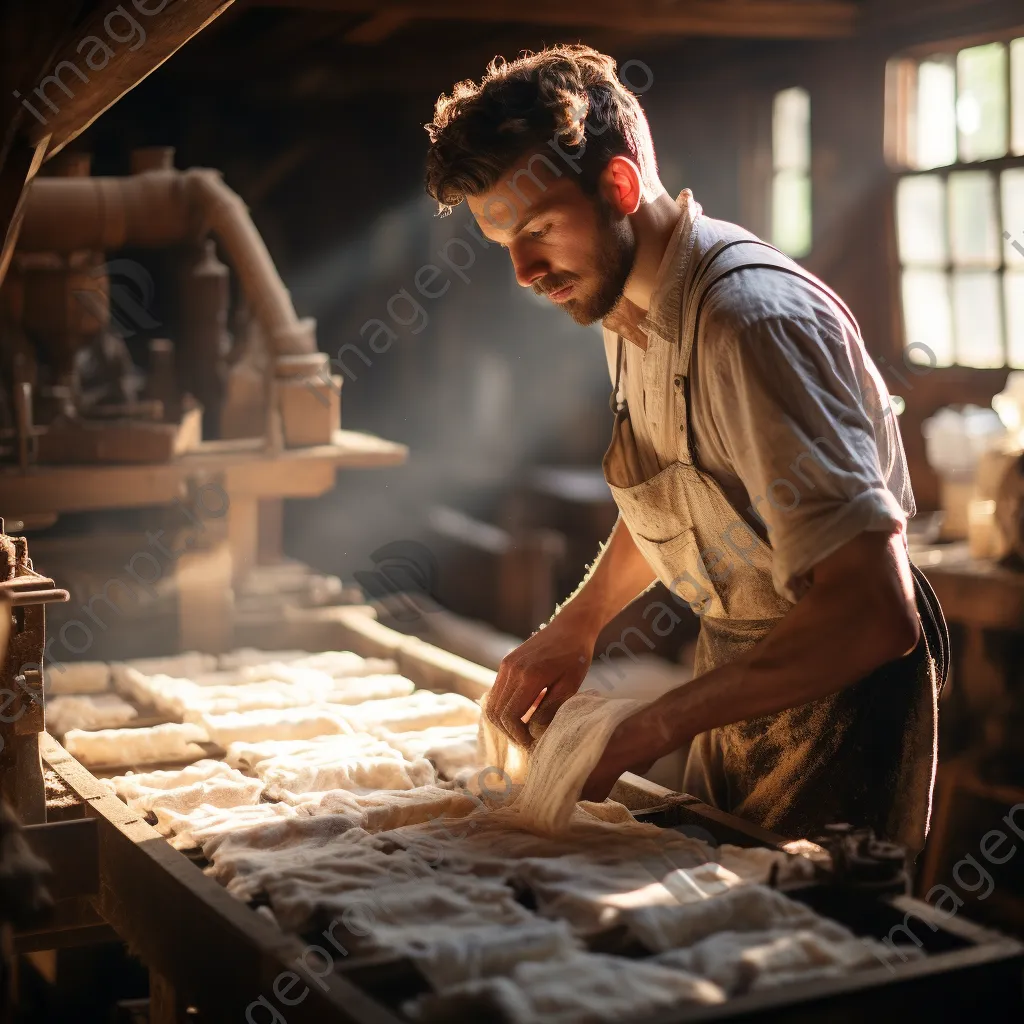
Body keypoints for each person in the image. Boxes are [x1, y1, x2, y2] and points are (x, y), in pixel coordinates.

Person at [423, 45, 947, 852]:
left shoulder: (750, 325)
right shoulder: (624, 306)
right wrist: (582, 621)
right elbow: (684, 491)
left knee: (814, 952)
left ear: (620, 187)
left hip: (841, 706)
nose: (526, 271)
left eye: (539, 231)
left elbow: (876, 612)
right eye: (507, 247)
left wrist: (649, 726)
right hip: (737, 679)